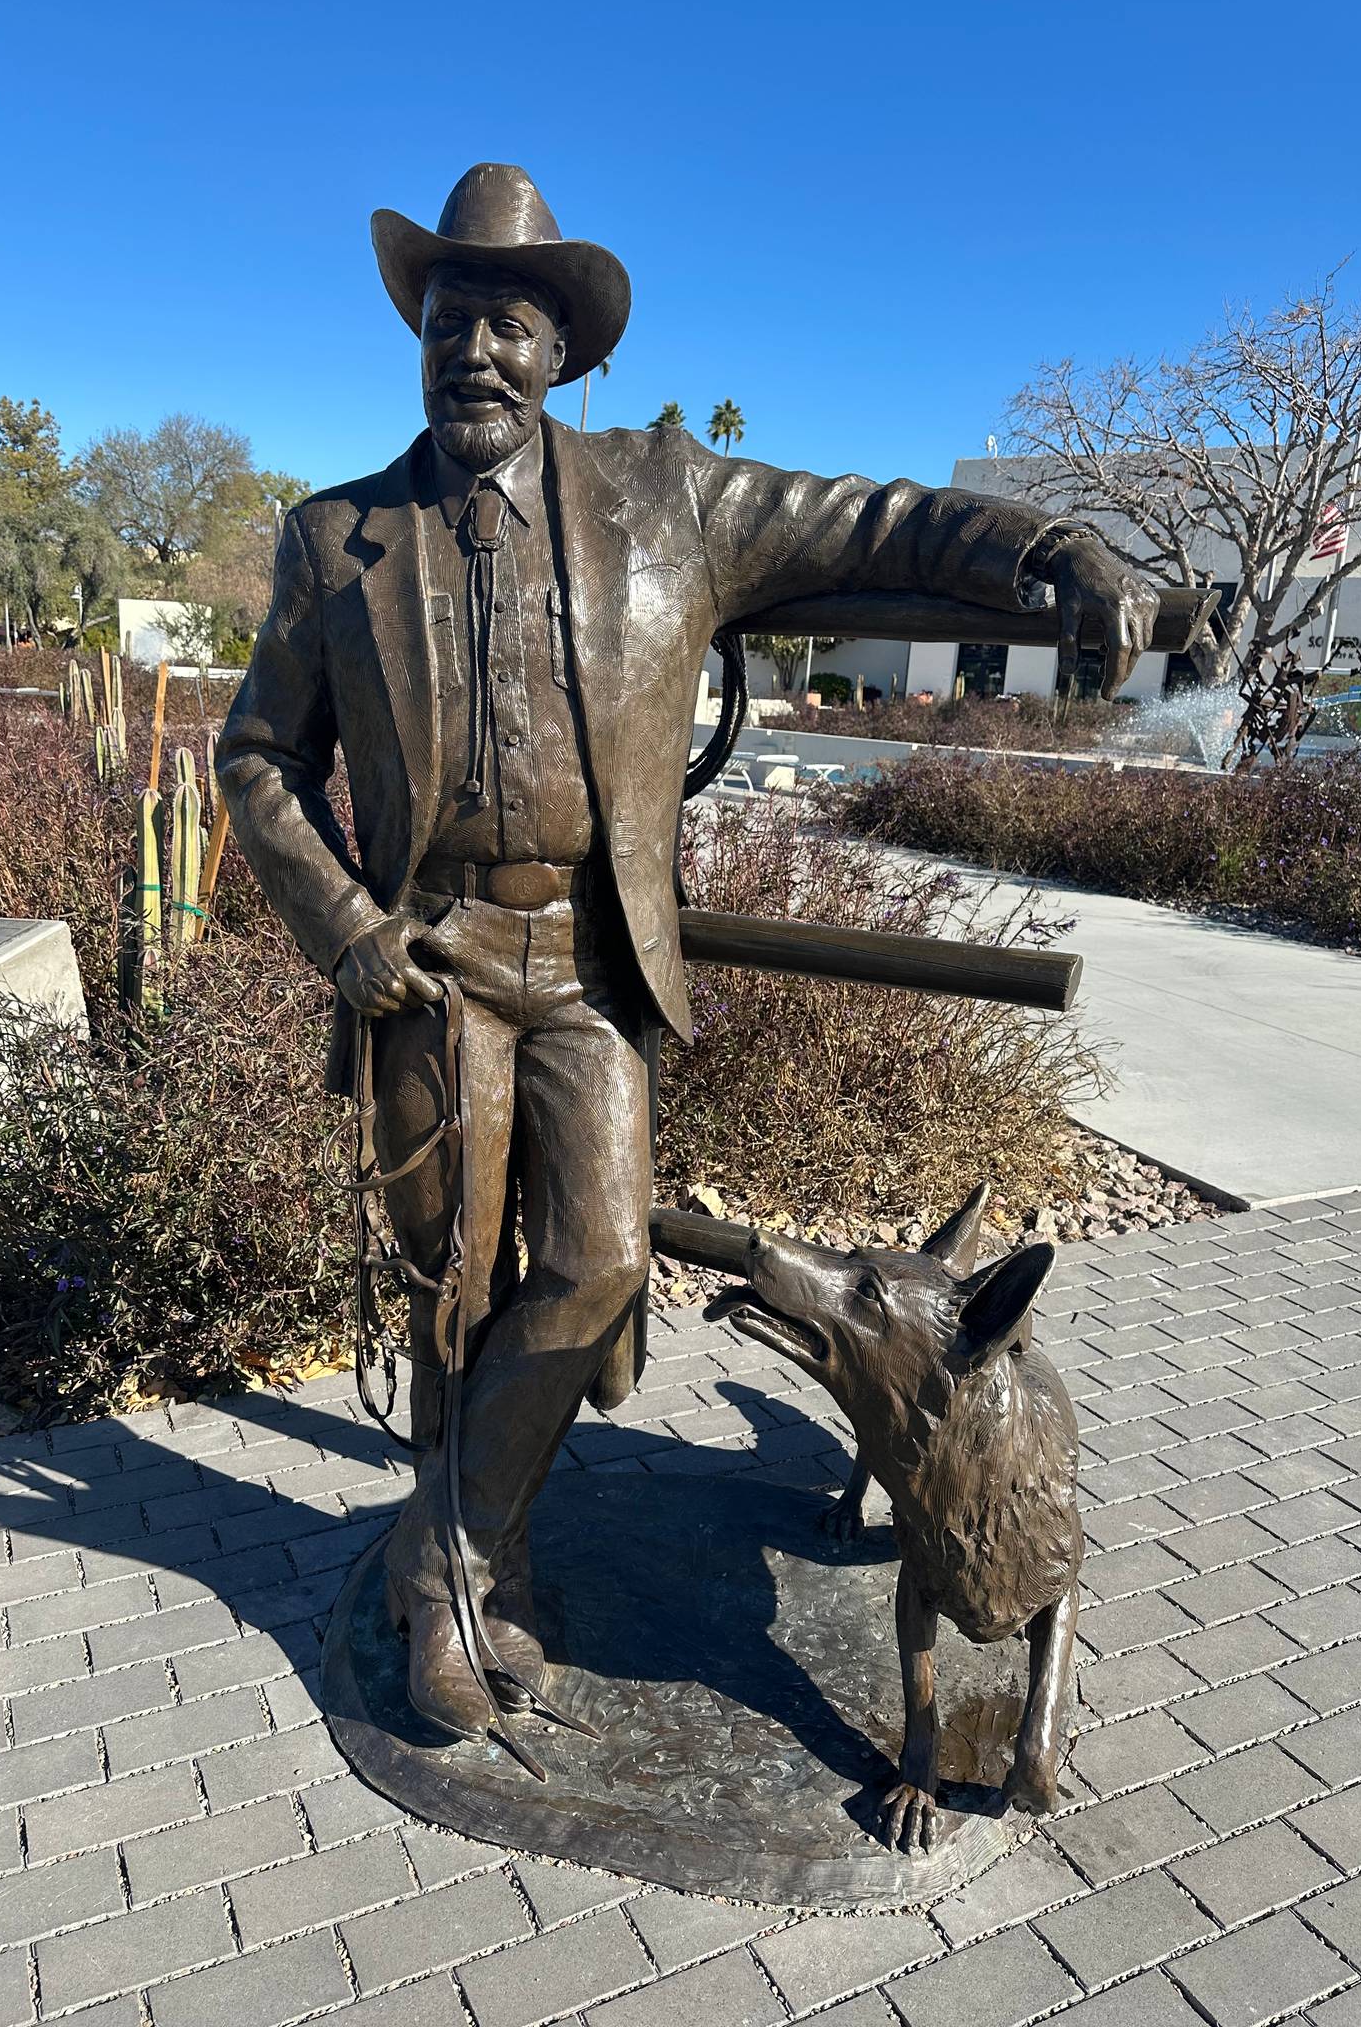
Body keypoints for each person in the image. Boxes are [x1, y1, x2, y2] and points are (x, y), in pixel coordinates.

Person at [217, 164, 1159, 1744]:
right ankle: (484, 1581)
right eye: (451, 318)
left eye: (509, 322)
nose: (475, 351)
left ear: (562, 348)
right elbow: (255, 757)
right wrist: (350, 928)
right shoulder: (338, 542)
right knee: (452, 1290)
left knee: (597, 1265)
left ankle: (434, 1552)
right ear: (419, 334)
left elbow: (880, 518)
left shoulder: (671, 498)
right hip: (432, 951)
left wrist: (1053, 547)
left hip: (591, 959)